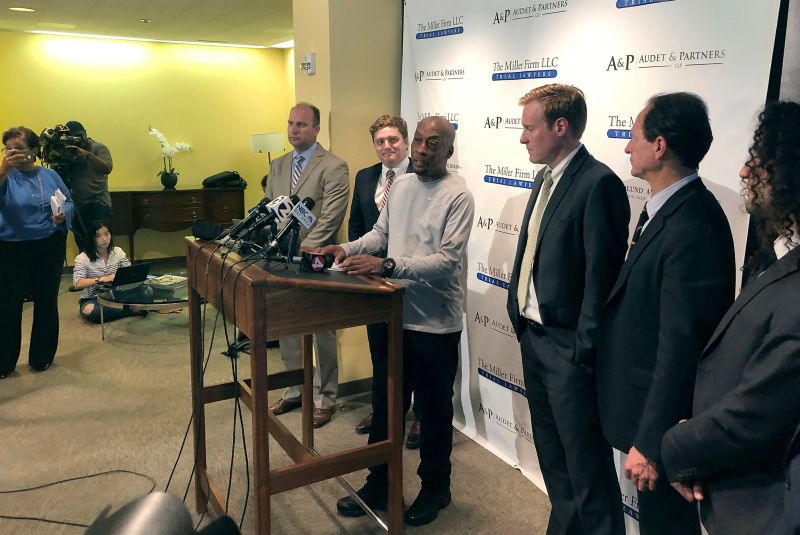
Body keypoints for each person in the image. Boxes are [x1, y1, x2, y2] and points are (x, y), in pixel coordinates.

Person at [595, 92, 736, 535]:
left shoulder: (693, 223)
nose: (626, 147)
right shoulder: (666, 210)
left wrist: (652, 441)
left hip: (658, 425)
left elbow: (681, 344)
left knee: (666, 528)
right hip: (640, 411)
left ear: (659, 147)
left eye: (633, 137)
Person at [322, 116, 474, 526]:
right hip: (394, 316)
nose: (423, 150)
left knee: (432, 413)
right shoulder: (402, 185)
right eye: (420, 141)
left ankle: (435, 489)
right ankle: (379, 482)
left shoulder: (458, 196)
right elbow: (379, 232)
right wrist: (344, 246)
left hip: (434, 325)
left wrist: (386, 264)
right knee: (387, 406)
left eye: (433, 143)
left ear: (449, 150)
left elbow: (445, 262)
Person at [659, 100, 800, 535]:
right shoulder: (776, 250)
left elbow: (760, 409)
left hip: (762, 505)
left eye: (757, 161)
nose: (743, 172)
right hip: (730, 481)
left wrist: (678, 446)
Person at [505, 84, 629, 535]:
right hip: (535, 340)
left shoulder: (599, 184)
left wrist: (583, 350)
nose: (523, 139)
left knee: (587, 469)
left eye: (529, 128)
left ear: (560, 127)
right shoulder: (545, 178)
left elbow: (603, 280)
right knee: (554, 462)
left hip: (568, 351)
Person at [265, 102, 350, 428]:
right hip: (281, 259)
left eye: (301, 124)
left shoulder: (334, 165)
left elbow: (331, 215)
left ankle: (325, 396)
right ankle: (294, 388)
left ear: (316, 129)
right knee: (286, 326)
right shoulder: (278, 165)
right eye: (290, 124)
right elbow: (272, 208)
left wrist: (304, 247)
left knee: (321, 329)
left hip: (317, 259)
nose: (294, 130)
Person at [348, 114, 421, 448]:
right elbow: (357, 226)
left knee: (415, 352)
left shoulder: (420, 175)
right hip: (373, 283)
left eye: (393, 139)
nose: (387, 146)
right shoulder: (365, 177)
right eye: (380, 141)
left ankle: (419, 416)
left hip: (410, 280)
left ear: (405, 141)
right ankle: (383, 412)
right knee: (380, 353)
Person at [0, 126, 74, 378]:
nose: (12, 153)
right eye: (8, 148)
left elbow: (69, 200)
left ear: (34, 151)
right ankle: (4, 362)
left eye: (19, 148)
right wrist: (3, 170)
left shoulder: (50, 175)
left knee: (46, 300)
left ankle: (41, 357)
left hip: (47, 245)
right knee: (8, 304)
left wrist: (64, 215)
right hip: (10, 247)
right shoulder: (4, 176)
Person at [72, 220, 142, 323]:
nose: (104, 239)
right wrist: (101, 279)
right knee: (91, 311)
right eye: (98, 236)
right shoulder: (83, 258)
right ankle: (132, 309)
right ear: (91, 238)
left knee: (147, 293)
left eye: (107, 234)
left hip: (118, 295)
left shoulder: (118, 252)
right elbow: (77, 283)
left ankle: (128, 308)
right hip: (93, 299)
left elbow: (130, 272)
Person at [63, 120, 113, 252]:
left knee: (101, 245)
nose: (77, 139)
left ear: (85, 133)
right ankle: (87, 272)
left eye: (79, 135)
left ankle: (105, 271)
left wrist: (87, 154)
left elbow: (107, 167)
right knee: (83, 247)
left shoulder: (98, 147)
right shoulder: (68, 151)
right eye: (73, 137)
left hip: (98, 204)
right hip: (78, 206)